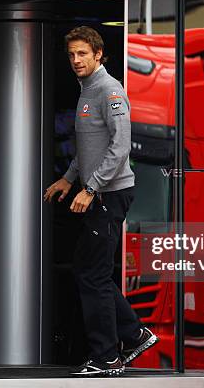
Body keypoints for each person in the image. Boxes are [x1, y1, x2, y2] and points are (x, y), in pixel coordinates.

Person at [44, 26, 158, 377]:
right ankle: (134, 333)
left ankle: (108, 357)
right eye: (72, 54)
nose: (76, 60)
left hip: (110, 194)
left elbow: (120, 148)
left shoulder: (109, 91)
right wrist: (67, 178)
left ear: (98, 54)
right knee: (89, 270)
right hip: (99, 192)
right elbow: (88, 148)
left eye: (82, 53)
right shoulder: (87, 90)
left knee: (91, 274)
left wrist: (90, 188)